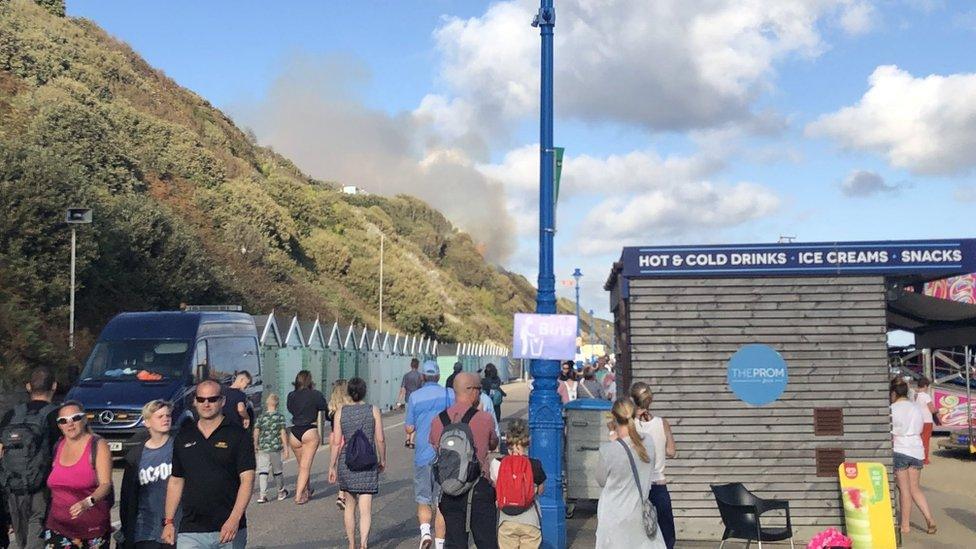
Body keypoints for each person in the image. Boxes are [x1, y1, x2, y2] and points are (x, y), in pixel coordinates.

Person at [161, 380, 255, 548]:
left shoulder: (238, 435)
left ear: (222, 401)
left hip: (229, 529)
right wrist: (168, 521)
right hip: (191, 529)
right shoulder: (183, 437)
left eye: (212, 399)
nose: (206, 404)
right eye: (201, 399)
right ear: (195, 402)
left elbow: (247, 480)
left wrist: (234, 519)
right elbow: (176, 480)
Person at [430, 372, 500, 549]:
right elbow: (493, 445)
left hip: (450, 488)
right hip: (479, 488)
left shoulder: (439, 420)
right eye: (479, 389)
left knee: (454, 543)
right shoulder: (484, 418)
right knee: (486, 542)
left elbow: (435, 447)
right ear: (473, 391)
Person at [0, 367, 60, 549]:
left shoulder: (12, 415)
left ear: (28, 387)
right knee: (37, 533)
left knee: (21, 538)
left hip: (13, 485)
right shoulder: (56, 414)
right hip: (41, 486)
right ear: (54, 386)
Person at [596, 398, 664, 549]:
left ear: (613, 418)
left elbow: (601, 480)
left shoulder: (608, 450)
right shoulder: (649, 442)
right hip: (640, 515)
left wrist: (613, 438)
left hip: (614, 516)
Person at [43, 401, 113, 548]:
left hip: (91, 530)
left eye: (75, 418)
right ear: (59, 425)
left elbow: (105, 484)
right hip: (58, 527)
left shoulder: (97, 445)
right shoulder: (58, 445)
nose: (70, 424)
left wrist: (87, 502)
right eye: (63, 421)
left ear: (85, 419)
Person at [328, 377, 386, 549]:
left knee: (349, 507)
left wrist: (332, 466)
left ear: (349, 393)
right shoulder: (373, 410)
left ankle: (352, 544)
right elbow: (380, 438)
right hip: (368, 461)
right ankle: (364, 543)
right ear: (364, 392)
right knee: (365, 508)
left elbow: (337, 443)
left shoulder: (341, 412)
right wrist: (382, 459)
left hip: (348, 462)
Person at [405, 361, 455, 549]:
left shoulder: (415, 397)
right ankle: (440, 544)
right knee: (441, 500)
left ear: (423, 376)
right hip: (446, 454)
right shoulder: (449, 394)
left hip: (423, 454)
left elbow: (409, 427)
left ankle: (425, 532)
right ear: (439, 376)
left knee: (423, 497)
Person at [120, 400, 177, 549]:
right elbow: (127, 496)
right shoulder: (136, 455)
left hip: (176, 526)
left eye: (168, 415)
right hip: (145, 529)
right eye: (160, 416)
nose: (166, 419)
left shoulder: (179, 448)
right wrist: (127, 529)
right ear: (147, 422)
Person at [631, 383, 677, 549]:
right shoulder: (662, 423)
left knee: (639, 535)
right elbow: (671, 452)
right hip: (659, 484)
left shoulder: (630, 425)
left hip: (638, 487)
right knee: (666, 535)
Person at [489, 419, 545, 549]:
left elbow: (495, 485)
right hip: (530, 520)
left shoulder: (497, 464)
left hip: (506, 520)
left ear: (507, 445)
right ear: (527, 445)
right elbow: (541, 490)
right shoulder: (534, 464)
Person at [890, 379, 936, 536]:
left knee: (904, 490)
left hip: (900, 448)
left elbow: (892, 430)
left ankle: (905, 526)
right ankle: (930, 519)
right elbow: (920, 427)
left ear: (894, 393)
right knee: (915, 488)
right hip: (916, 449)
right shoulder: (916, 408)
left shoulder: (892, 409)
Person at [287, 370, 327, 505]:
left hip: (294, 432)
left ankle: (307, 490)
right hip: (309, 429)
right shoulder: (315, 395)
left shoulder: (291, 395)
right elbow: (324, 408)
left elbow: (290, 409)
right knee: (305, 466)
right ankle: (299, 495)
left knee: (302, 465)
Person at [253, 393, 289, 504]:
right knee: (277, 471)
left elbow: (256, 431)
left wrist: (255, 443)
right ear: (277, 404)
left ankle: (262, 495)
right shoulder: (280, 417)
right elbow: (283, 433)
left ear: (267, 403)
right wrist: (286, 448)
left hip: (263, 447)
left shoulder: (261, 417)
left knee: (263, 472)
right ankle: (280, 492)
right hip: (275, 448)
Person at [328, 379, 353, 511]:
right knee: (348, 467)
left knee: (339, 466)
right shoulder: (348, 407)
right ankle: (343, 494)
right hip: (345, 437)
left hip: (333, 437)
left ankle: (341, 494)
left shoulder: (332, 408)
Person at [914, 377, 935, 465]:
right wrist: (938, 410)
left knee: (918, 440)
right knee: (926, 441)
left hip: (918, 420)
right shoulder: (926, 396)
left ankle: (917, 457)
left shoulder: (915, 395)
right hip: (927, 421)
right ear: (925, 386)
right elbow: (932, 410)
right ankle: (925, 459)